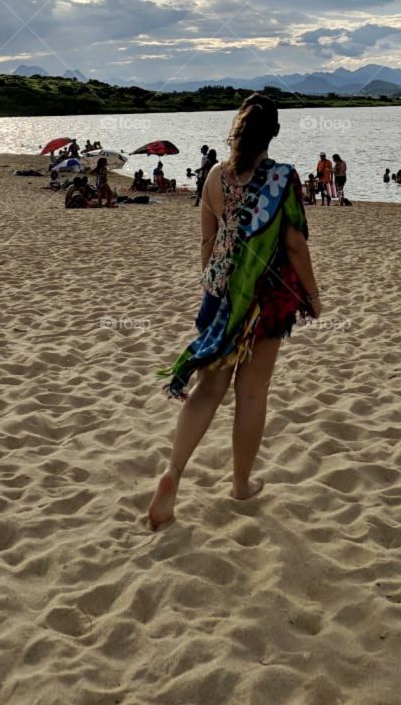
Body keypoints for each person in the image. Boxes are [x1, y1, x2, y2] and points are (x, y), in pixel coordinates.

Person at [150, 93, 321, 530]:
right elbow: (294, 244)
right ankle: (240, 484)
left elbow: (207, 243)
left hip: (223, 295)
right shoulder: (283, 177)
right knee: (251, 393)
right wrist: (313, 297)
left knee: (210, 389)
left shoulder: (213, 177)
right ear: (275, 133)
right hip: (267, 297)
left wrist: (215, 289)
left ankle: (173, 473)